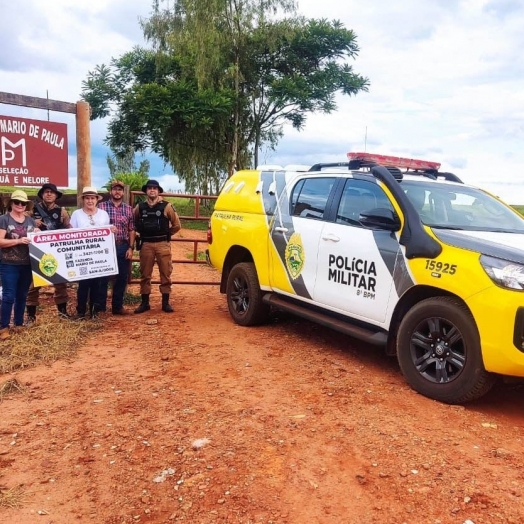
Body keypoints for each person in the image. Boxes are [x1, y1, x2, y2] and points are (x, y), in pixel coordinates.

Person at [133, 179, 181, 314]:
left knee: (165, 273)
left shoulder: (167, 206)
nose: (152, 190)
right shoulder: (140, 207)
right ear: (146, 191)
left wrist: (166, 235)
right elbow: (133, 221)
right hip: (146, 244)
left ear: (159, 191)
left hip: (162, 244)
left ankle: (165, 303)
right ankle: (145, 303)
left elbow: (177, 225)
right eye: (149, 188)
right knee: (145, 274)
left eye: (155, 188)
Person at [26, 183, 72, 322]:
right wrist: (34, 223)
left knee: (60, 283)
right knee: (33, 285)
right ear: (42, 194)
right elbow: (21, 225)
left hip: (56, 251)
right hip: (36, 252)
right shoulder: (31, 210)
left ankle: (63, 313)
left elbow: (68, 228)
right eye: (46, 192)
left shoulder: (62, 211)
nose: (49, 194)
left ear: (56, 195)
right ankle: (31, 316)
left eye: (52, 192)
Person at [0, 190, 39, 339]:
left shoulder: (30, 221)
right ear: (11, 203)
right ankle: (4, 327)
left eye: (23, 203)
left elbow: (36, 239)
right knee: (9, 295)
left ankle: (18, 324)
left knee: (22, 295)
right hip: (9, 263)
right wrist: (18, 241)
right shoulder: (4, 219)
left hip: (27, 263)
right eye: (17, 202)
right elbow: (1, 241)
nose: (20, 205)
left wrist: (38, 234)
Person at [70, 187, 112, 319]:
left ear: (96, 200)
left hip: (98, 255)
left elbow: (107, 232)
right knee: (83, 284)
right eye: (87, 198)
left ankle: (94, 311)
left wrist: (112, 230)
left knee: (97, 284)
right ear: (83, 200)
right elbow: (71, 232)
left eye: (92, 198)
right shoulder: (76, 214)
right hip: (82, 255)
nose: (90, 201)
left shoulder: (103, 214)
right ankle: (81, 311)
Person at [97, 180, 136, 315]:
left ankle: (117, 307)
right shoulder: (101, 207)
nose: (117, 192)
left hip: (122, 245)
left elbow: (131, 230)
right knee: (102, 276)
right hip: (105, 247)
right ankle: (100, 307)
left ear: (123, 192)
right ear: (110, 191)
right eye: (115, 189)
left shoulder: (129, 209)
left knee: (121, 277)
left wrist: (130, 247)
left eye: (120, 190)